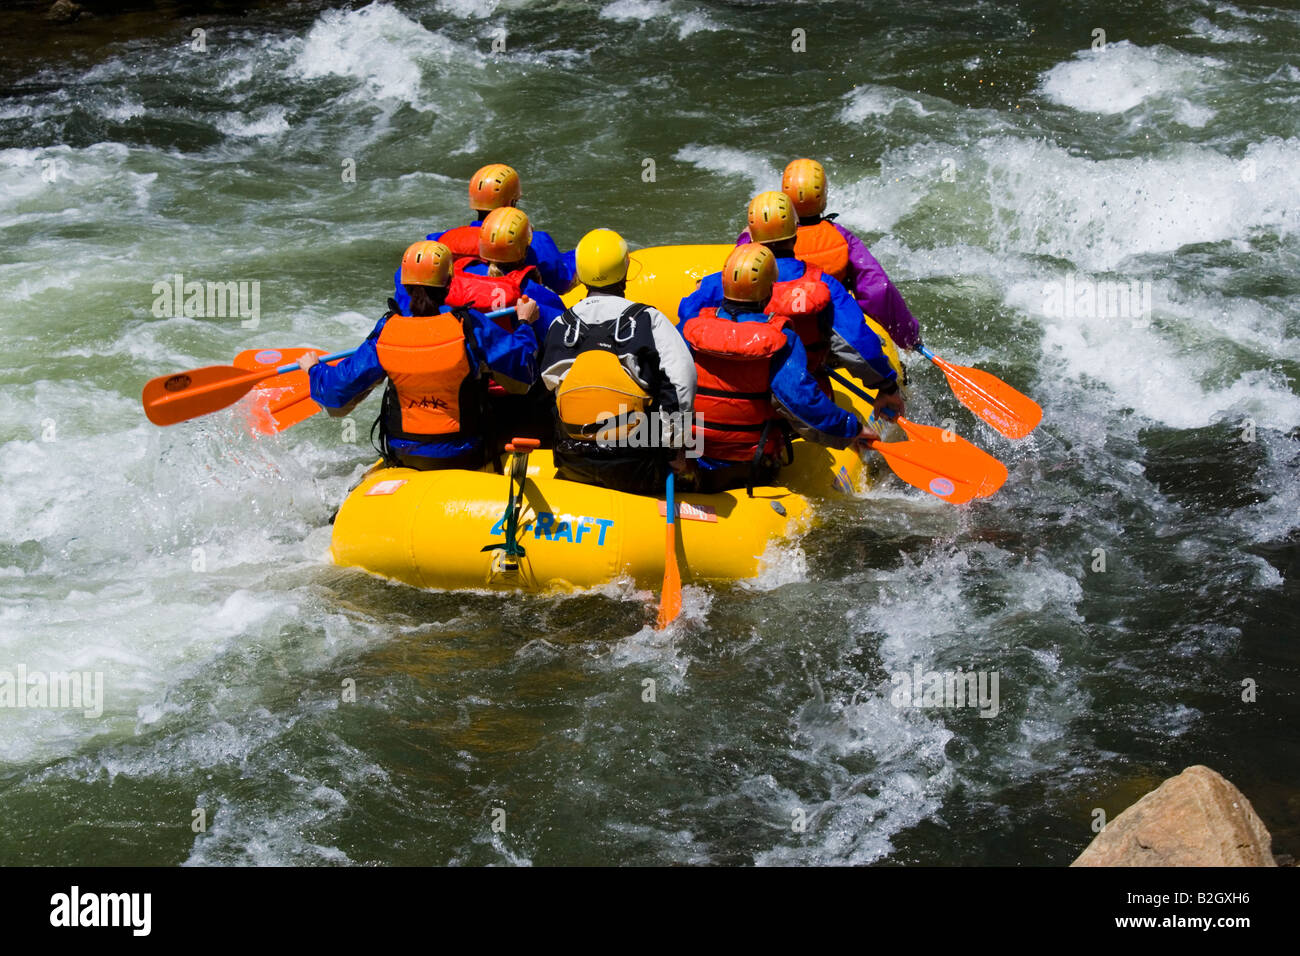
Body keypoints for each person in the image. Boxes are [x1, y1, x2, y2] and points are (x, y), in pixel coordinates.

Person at [302, 240, 541, 471]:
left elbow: (337, 393)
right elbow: (524, 373)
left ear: (405, 286)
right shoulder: (469, 326)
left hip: (405, 455)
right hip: (466, 454)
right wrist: (524, 325)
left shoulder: (386, 331)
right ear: (448, 285)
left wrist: (315, 370)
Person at [681, 190, 905, 417]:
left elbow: (687, 322)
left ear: (751, 236)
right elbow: (855, 342)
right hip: (800, 396)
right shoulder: (822, 284)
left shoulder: (720, 282)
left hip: (727, 402)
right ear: (796, 234)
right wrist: (886, 386)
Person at [679, 243, 880, 494]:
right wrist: (851, 428)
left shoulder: (689, 331)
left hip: (691, 458)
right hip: (752, 467)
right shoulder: (781, 339)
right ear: (769, 291)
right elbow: (801, 402)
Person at [540, 228, 697, 495]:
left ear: (580, 272)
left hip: (574, 462)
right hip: (637, 465)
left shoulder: (559, 326)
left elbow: (548, 392)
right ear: (625, 269)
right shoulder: (650, 320)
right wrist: (674, 448)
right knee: (692, 447)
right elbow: (682, 384)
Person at [737, 159, 921, 349]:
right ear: (823, 197)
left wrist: (745, 235)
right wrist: (908, 337)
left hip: (770, 329)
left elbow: (743, 267)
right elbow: (877, 290)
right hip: (827, 333)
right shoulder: (842, 237)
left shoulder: (758, 241)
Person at [390, 163, 575, 314]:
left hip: (443, 320)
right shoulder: (535, 242)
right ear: (512, 203)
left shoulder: (437, 243)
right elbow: (563, 281)